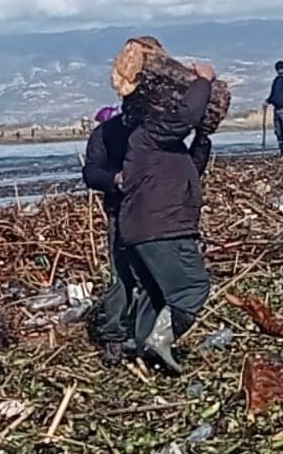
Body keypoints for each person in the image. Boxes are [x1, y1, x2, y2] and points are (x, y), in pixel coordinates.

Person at [82, 104, 210, 366]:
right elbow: (91, 173)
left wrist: (201, 139)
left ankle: (144, 338)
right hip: (120, 212)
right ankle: (114, 338)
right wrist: (114, 179)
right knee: (122, 277)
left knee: (150, 281)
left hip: (148, 213)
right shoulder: (105, 134)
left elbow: (188, 166)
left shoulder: (155, 133)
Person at [117, 64, 217, 374]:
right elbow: (183, 118)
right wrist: (203, 82)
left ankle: (139, 344)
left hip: (149, 226)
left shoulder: (163, 147)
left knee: (156, 291)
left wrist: (203, 135)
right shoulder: (147, 135)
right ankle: (160, 339)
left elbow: (193, 168)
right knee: (192, 288)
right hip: (162, 228)